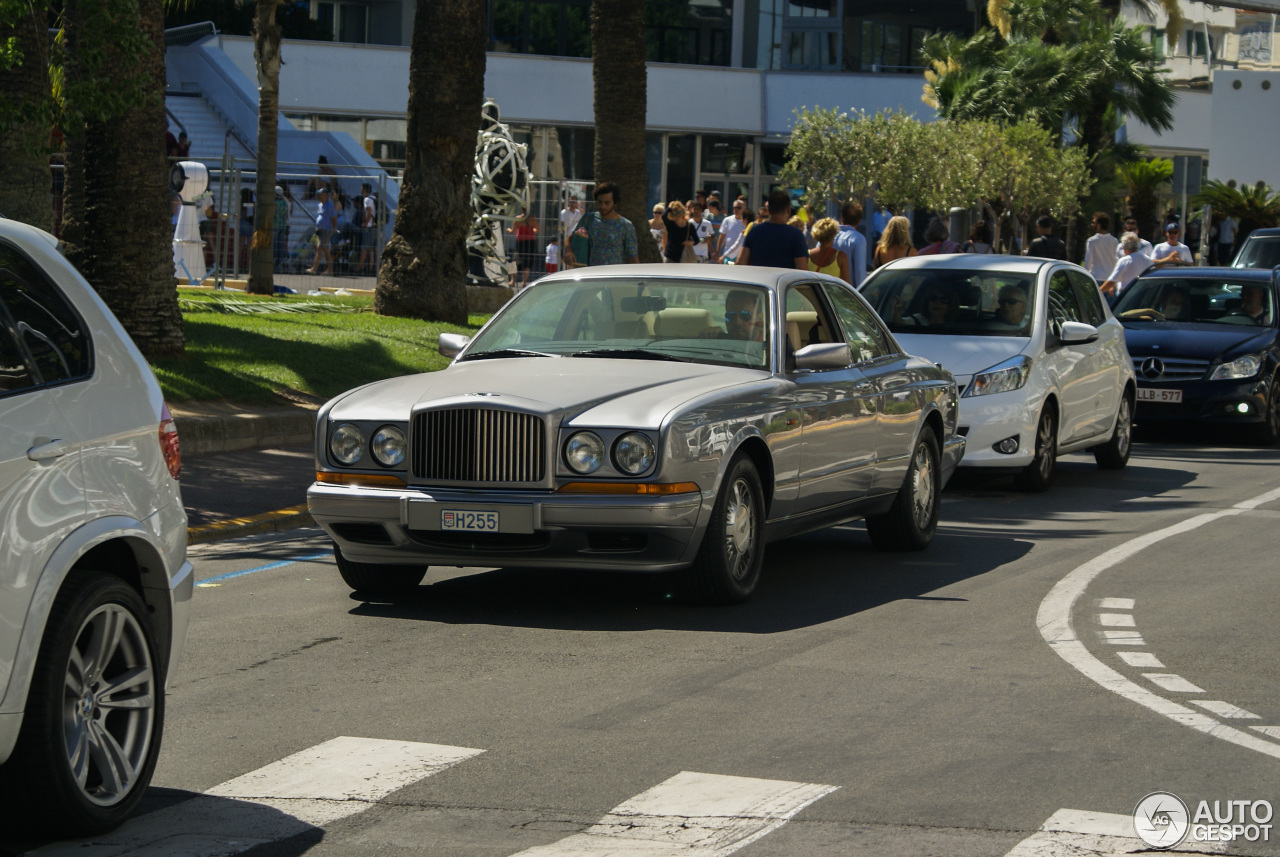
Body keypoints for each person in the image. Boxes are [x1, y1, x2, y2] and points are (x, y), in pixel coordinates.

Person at [562, 181, 639, 267]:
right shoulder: (588, 219)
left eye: (607, 203)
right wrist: (568, 250)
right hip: (591, 275)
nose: (602, 206)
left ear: (615, 204)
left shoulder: (625, 226)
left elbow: (633, 259)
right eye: (600, 202)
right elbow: (569, 239)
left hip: (614, 277)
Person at [738, 190, 809, 270]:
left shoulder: (754, 231)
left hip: (759, 280)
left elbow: (740, 262)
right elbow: (801, 268)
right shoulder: (796, 235)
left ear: (769, 210)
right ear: (788, 209)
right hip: (784, 281)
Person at [1098, 232, 1153, 301]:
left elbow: (1111, 282)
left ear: (1124, 248)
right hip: (1145, 297)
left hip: (1126, 298)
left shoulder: (1124, 261)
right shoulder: (1148, 260)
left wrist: (1099, 291)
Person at [833, 201, 868, 286]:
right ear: (859, 221)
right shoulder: (858, 239)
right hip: (848, 292)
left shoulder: (828, 236)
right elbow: (859, 272)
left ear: (841, 217)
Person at [306, 187, 337, 274]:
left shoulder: (329, 206)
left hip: (326, 230)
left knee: (320, 249)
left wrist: (334, 228)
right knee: (325, 250)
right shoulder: (320, 204)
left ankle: (314, 268)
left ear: (325, 195)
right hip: (320, 229)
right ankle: (329, 270)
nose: (319, 196)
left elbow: (334, 218)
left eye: (320, 194)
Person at [1083, 212, 1120, 281]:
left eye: (1094, 223)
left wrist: (1084, 276)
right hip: (1111, 278)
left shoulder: (1092, 241)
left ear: (1099, 225)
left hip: (1097, 277)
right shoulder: (1115, 241)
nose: (1092, 224)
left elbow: (1088, 261)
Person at [507, 210, 540, 287]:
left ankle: (512, 281)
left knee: (513, 262)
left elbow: (513, 231)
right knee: (527, 264)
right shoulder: (533, 219)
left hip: (520, 242)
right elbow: (538, 230)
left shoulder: (518, 219)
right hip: (530, 243)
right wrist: (532, 230)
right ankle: (524, 282)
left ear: (521, 210)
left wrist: (508, 229)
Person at [717, 198, 747, 264]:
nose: (736, 210)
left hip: (740, 256)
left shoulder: (746, 221)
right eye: (734, 207)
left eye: (738, 208)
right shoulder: (727, 220)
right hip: (727, 255)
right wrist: (718, 252)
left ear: (743, 209)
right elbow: (722, 237)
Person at [272, 185, 290, 272]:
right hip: (282, 226)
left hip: (274, 225)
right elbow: (286, 216)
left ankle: (272, 262)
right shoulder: (284, 203)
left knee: (273, 245)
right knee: (280, 245)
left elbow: (273, 213)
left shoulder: (275, 203)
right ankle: (280, 263)